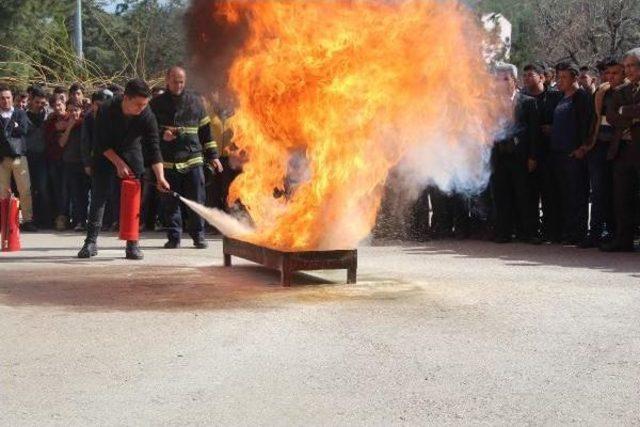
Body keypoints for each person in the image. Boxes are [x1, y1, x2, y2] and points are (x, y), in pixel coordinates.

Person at [78, 78, 170, 260]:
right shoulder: (106, 109)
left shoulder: (147, 114)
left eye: (144, 104)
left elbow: (153, 147)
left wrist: (160, 177)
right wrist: (118, 163)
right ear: (126, 98)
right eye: (138, 104)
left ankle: (132, 243)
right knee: (98, 198)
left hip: (132, 152)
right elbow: (100, 142)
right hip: (105, 155)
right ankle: (90, 242)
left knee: (133, 199)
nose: (141, 108)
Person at [150, 66, 222, 249]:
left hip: (193, 158)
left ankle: (199, 236)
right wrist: (162, 134)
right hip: (168, 161)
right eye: (175, 81)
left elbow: (206, 133)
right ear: (167, 81)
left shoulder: (196, 102)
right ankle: (174, 237)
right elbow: (148, 131)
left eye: (181, 81)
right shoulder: (156, 104)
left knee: (197, 198)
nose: (178, 85)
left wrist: (213, 156)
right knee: (170, 202)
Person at [573, 58, 625, 248]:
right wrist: (587, 145)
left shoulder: (629, 93)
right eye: (607, 73)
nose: (610, 77)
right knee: (598, 192)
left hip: (621, 148)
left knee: (618, 193)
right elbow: (593, 121)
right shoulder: (601, 92)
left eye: (615, 73)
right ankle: (594, 233)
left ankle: (615, 233)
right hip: (598, 147)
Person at [490, 63, 540, 244]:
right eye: (497, 79)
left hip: (521, 156)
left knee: (524, 195)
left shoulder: (527, 102)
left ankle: (527, 232)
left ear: (514, 80)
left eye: (505, 79)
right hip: (499, 155)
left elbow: (534, 132)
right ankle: (503, 232)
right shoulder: (492, 104)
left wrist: (533, 156)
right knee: (501, 194)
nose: (500, 83)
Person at [548, 62, 593, 245]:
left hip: (574, 154)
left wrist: (582, 147)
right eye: (558, 77)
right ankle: (566, 231)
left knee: (577, 195)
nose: (560, 80)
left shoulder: (582, 97)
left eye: (564, 77)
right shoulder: (560, 97)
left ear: (575, 78)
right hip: (558, 154)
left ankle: (579, 232)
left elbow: (588, 124)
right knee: (564, 195)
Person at [602, 48, 640, 252]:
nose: (628, 70)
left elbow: (621, 113)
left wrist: (625, 111)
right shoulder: (619, 91)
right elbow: (612, 117)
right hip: (622, 150)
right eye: (626, 66)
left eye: (632, 65)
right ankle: (623, 240)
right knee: (622, 197)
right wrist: (631, 114)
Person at [522, 63, 563, 241]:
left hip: (549, 153)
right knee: (529, 194)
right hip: (529, 153)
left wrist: (554, 128)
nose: (527, 79)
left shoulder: (555, 97)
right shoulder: (522, 99)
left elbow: (564, 121)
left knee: (550, 194)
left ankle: (552, 230)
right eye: (525, 76)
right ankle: (531, 230)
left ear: (542, 77)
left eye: (531, 75)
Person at [0, 84, 36, 231]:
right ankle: (4, 220)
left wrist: (10, 130)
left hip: (19, 157)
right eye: (2, 98)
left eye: (7, 98)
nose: (5, 101)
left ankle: (27, 220)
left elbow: (23, 130)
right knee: (2, 192)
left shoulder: (20, 113)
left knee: (25, 190)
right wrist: (12, 128)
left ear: (12, 98)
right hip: (2, 159)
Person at [60, 100, 90, 231]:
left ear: (81, 111)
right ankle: (79, 220)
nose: (73, 113)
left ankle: (87, 220)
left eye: (76, 110)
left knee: (86, 194)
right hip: (70, 163)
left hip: (85, 163)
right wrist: (69, 127)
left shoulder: (86, 124)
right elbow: (61, 143)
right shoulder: (64, 125)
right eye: (70, 110)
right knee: (75, 194)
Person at [25, 86, 51, 229]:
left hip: (43, 157)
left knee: (43, 187)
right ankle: (30, 220)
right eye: (37, 102)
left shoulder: (48, 115)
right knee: (29, 189)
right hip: (27, 156)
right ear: (31, 100)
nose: (40, 105)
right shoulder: (22, 115)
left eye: (42, 102)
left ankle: (45, 219)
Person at [44, 94, 71, 231]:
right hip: (54, 159)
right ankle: (60, 217)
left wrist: (68, 125)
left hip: (69, 160)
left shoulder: (71, 117)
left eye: (60, 105)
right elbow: (48, 138)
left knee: (67, 189)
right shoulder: (50, 121)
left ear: (65, 104)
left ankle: (66, 217)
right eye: (54, 106)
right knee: (57, 189)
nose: (57, 108)